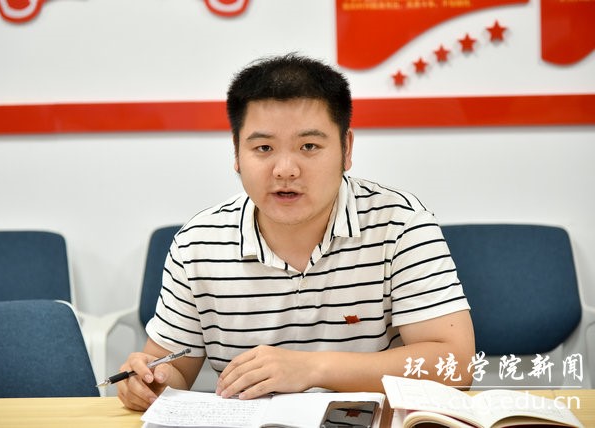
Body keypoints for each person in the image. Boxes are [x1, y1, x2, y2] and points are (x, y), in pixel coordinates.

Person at [117, 53, 475, 411]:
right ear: (237, 154)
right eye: (264, 148)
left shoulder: (401, 225)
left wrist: (311, 368)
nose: (285, 170)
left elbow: (456, 366)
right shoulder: (197, 243)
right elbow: (174, 369)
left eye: (309, 147)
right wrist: (151, 382)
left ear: (346, 149)